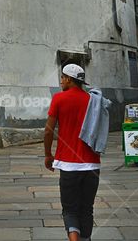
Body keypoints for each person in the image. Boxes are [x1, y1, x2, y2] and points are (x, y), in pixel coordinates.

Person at [44, 64, 102, 241]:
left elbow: (48, 130)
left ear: (69, 79)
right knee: (87, 209)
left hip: (69, 165)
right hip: (92, 163)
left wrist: (48, 154)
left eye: (62, 77)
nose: (61, 81)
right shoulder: (93, 101)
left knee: (70, 209)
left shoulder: (59, 99)